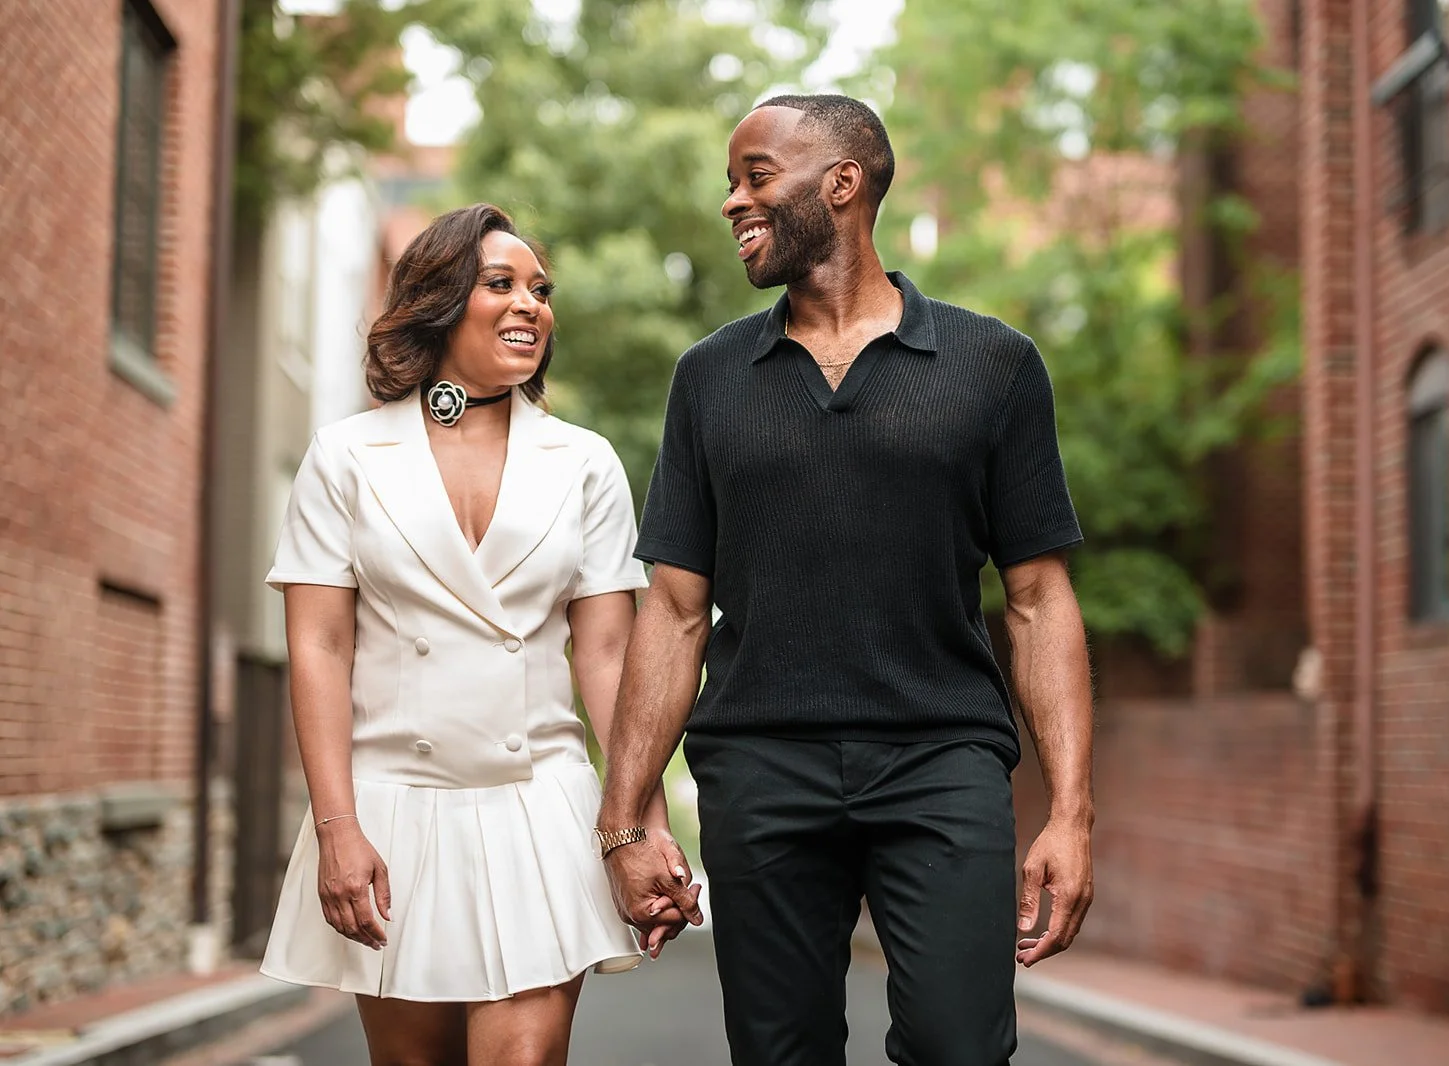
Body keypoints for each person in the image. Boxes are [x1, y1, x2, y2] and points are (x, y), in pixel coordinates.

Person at [596, 94, 1096, 1066]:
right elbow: (673, 608)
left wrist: (1071, 814)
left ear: (841, 183)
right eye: (729, 182)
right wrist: (626, 820)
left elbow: (1038, 602)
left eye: (755, 177)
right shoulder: (708, 377)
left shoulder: (993, 366)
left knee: (962, 1049)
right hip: (760, 764)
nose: (733, 201)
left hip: (941, 758)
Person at [259, 203, 692, 1066]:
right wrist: (337, 825)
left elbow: (607, 657)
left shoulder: (583, 462)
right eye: (502, 284)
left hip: (539, 801)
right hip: (391, 807)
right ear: (440, 302)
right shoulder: (345, 457)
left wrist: (639, 821)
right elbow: (319, 649)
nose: (531, 304)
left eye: (541, 289)